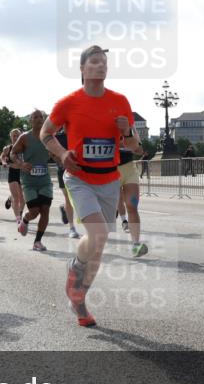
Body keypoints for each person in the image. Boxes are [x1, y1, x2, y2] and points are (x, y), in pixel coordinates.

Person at [41, 45, 138, 326]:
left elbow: (133, 145)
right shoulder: (69, 103)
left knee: (100, 243)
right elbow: (46, 132)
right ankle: (75, 268)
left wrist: (127, 131)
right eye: (94, 62)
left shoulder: (120, 101)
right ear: (82, 69)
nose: (100, 66)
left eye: (104, 62)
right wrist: (62, 154)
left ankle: (79, 299)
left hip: (109, 179)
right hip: (80, 177)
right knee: (96, 235)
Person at [11, 110, 53, 252]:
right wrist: (21, 164)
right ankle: (26, 219)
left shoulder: (48, 136)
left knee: (45, 210)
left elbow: (56, 152)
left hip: (44, 180)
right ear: (31, 121)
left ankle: (37, 241)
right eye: (35, 117)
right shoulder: (25, 137)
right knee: (34, 211)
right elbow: (13, 153)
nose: (39, 119)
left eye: (41, 117)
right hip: (29, 181)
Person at [115, 126, 149, 257]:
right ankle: (122, 220)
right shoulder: (105, 125)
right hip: (111, 171)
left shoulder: (131, 128)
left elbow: (140, 150)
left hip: (129, 170)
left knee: (132, 206)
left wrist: (130, 139)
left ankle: (136, 245)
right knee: (114, 203)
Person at [55, 127, 80, 239]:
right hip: (63, 171)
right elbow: (51, 153)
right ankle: (72, 228)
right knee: (68, 198)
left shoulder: (80, 133)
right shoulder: (58, 137)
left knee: (77, 199)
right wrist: (61, 161)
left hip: (80, 170)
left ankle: (64, 209)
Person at [0, 129, 25, 224]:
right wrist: (4, 162)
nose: (15, 137)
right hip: (13, 173)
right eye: (13, 135)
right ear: (10, 137)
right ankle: (18, 219)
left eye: (17, 135)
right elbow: (2, 157)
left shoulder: (24, 147)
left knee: (23, 199)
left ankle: (19, 212)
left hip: (22, 174)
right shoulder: (8, 148)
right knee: (17, 197)